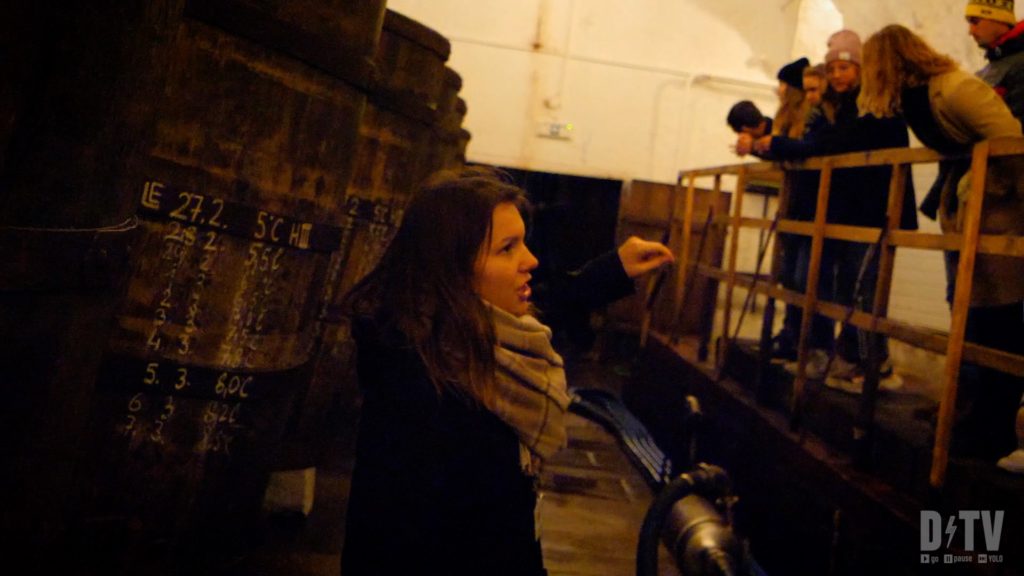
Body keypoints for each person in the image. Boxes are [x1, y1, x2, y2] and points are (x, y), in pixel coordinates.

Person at [339, 166, 674, 575]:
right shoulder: (424, 389)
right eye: (507, 248)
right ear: (452, 268)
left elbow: (547, 304)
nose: (530, 260)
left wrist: (613, 270)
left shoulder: (471, 340)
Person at [859, 24, 1024, 468]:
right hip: (971, 210)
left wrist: (992, 185)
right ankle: (971, 418)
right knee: (973, 317)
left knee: (998, 321)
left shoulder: (954, 90)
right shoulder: (921, 94)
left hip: (1000, 213)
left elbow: (1011, 140)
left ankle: (994, 430)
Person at [754, 30, 918, 390]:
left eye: (845, 67)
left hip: (874, 210)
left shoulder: (874, 103)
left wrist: (779, 144)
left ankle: (874, 366)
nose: (838, 75)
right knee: (849, 289)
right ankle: (858, 361)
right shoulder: (848, 106)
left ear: (861, 67)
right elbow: (831, 142)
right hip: (852, 210)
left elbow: (836, 143)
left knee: (863, 290)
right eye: (833, 69)